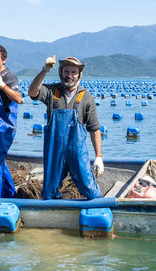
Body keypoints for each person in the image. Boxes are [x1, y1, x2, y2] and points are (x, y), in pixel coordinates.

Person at [27, 55, 103, 200]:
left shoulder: (86, 97)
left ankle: (100, 210)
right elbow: (32, 92)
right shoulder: (50, 91)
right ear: (61, 72)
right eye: (66, 71)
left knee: (92, 192)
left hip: (78, 154)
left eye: (74, 72)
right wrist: (44, 70)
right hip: (54, 155)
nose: (70, 75)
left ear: (79, 75)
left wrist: (99, 156)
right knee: (49, 193)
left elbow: (94, 129)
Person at [0, 44, 24, 197]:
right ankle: (10, 194)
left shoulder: (9, 77)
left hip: (4, 127)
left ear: (4, 60)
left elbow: (18, 98)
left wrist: (3, 85)